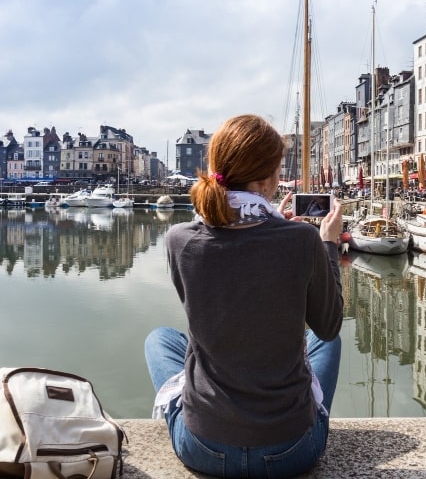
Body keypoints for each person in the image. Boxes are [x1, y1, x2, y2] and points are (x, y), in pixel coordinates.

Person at [144, 114, 344, 478]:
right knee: (326, 342)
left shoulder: (178, 240)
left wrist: (275, 226)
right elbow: (329, 326)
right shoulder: (301, 241)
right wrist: (327, 244)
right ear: (267, 180)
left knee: (160, 339)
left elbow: (218, 302)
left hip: (204, 448)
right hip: (292, 451)